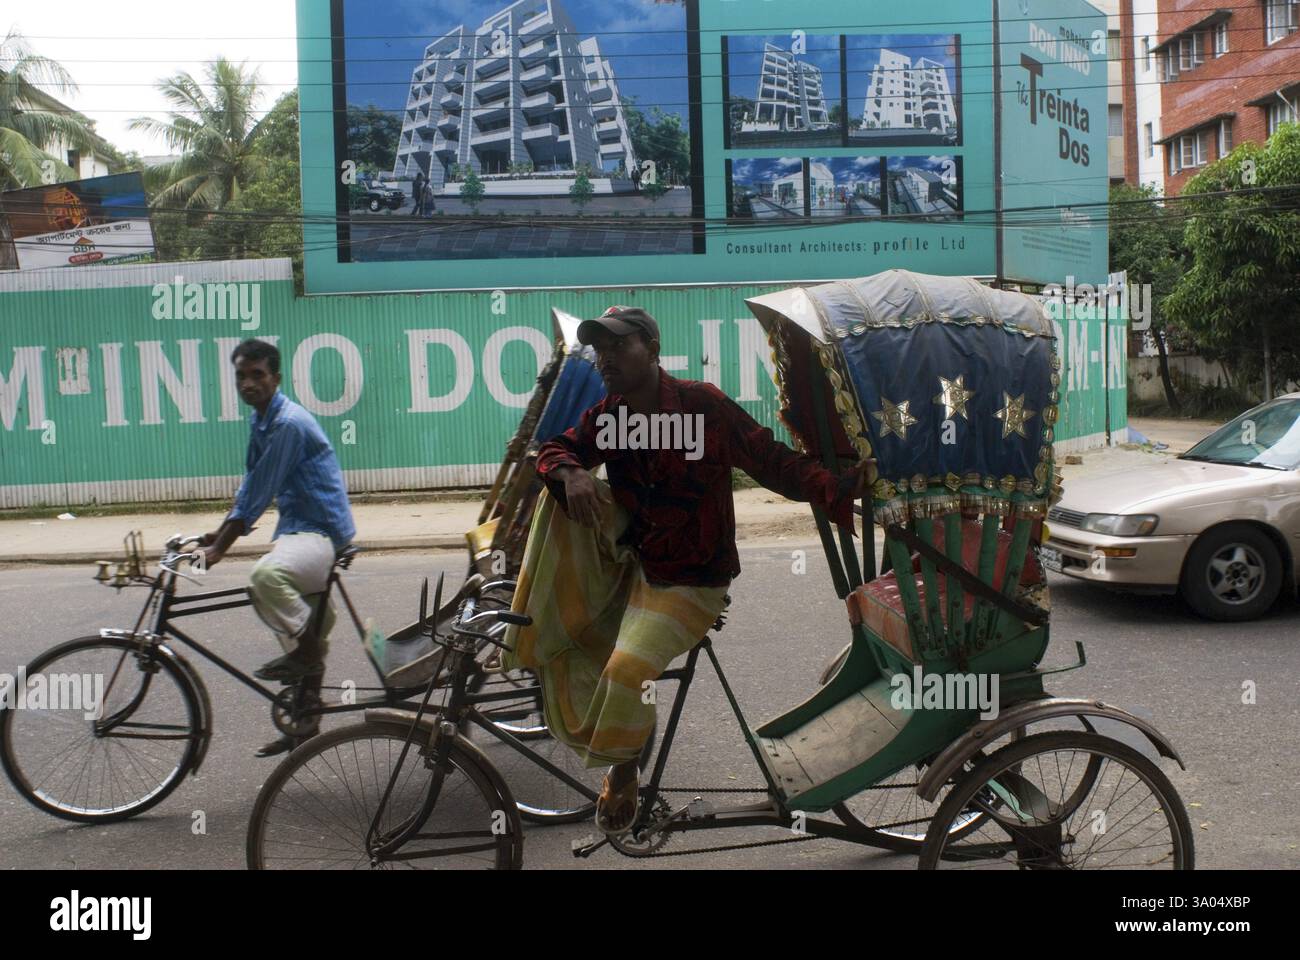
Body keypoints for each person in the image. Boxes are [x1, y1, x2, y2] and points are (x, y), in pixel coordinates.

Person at [503, 306, 871, 835]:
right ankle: (564, 624)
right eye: (599, 349)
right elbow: (555, 448)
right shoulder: (609, 417)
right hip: (637, 572)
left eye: (618, 346)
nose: (605, 358)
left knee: (625, 671)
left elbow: (771, 461)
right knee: (570, 639)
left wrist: (840, 486)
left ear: (652, 350)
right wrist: (569, 469)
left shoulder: (703, 407)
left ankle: (623, 771)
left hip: (695, 583)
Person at [200, 338, 357, 757]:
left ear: (276, 378)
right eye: (241, 376)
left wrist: (221, 550)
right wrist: (218, 535)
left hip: (322, 533)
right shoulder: (262, 420)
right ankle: (304, 723)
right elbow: (251, 482)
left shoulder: (287, 423)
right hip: (298, 530)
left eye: (257, 375)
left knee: (265, 577)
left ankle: (306, 652)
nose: (248, 384)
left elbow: (262, 488)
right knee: (292, 612)